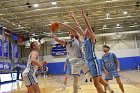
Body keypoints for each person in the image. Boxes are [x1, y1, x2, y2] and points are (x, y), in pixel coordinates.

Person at [70, 10, 115, 93]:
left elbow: (88, 27)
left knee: (96, 84)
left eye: (87, 30)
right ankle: (112, 91)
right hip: (89, 63)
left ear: (91, 32)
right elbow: (79, 27)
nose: (85, 30)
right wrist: (74, 18)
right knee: (100, 81)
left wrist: (84, 16)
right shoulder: (85, 38)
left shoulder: (92, 39)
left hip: (94, 62)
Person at [51, 22, 92, 93]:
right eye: (70, 33)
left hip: (82, 60)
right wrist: (52, 32)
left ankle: (101, 87)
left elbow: (74, 31)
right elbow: (57, 39)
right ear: (69, 34)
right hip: (73, 63)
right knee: (75, 80)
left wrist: (63, 24)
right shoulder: (67, 43)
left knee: (92, 75)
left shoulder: (77, 38)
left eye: (72, 32)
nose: (71, 33)